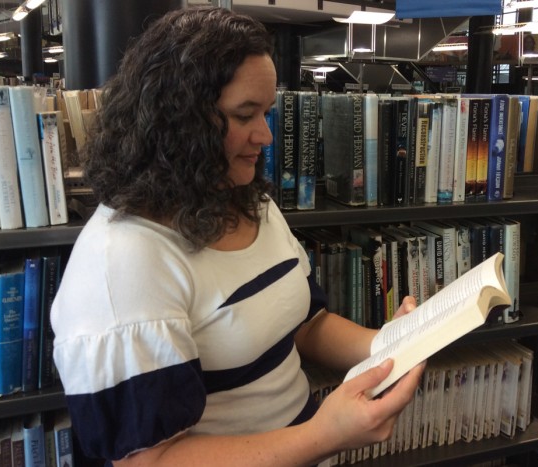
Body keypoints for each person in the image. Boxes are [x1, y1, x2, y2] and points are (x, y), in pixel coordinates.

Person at [51, 6, 424, 467]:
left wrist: (387, 344)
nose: (266, 135)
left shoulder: (247, 199)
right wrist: (323, 435)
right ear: (178, 120)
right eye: (245, 115)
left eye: (267, 112)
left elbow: (306, 323)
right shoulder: (124, 261)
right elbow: (147, 461)